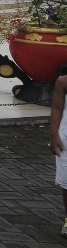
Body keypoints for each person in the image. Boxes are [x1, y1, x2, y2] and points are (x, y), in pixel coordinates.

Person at [49, 69, 67, 237]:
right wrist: (54, 134)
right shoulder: (63, 81)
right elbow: (56, 107)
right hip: (66, 138)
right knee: (66, 181)